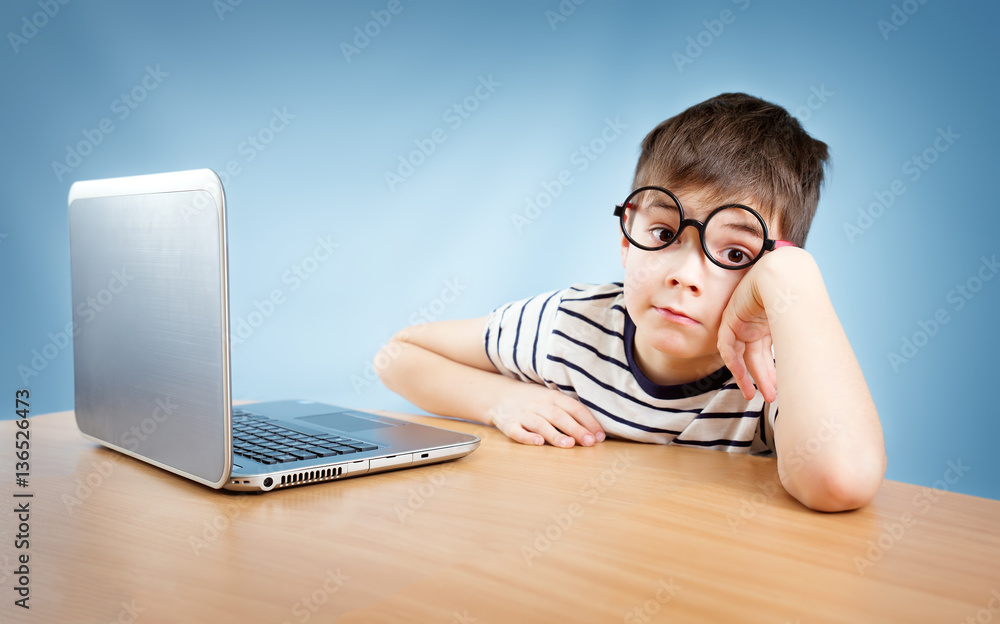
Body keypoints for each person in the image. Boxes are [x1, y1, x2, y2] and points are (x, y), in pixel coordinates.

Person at [377, 92, 886, 512]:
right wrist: (500, 401)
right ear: (626, 239)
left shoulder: (772, 374)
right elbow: (398, 356)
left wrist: (792, 277)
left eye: (735, 252)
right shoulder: (570, 327)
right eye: (664, 232)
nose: (685, 275)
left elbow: (839, 480)